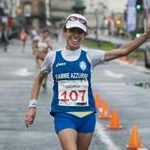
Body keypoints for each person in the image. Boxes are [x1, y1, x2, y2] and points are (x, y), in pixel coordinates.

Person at [24, 14, 150, 150]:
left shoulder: (90, 56)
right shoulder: (53, 57)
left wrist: (146, 35)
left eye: (80, 32)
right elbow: (38, 80)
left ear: (85, 34)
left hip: (87, 116)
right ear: (65, 32)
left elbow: (123, 51)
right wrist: (32, 106)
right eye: (72, 31)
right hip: (64, 115)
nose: (75, 35)